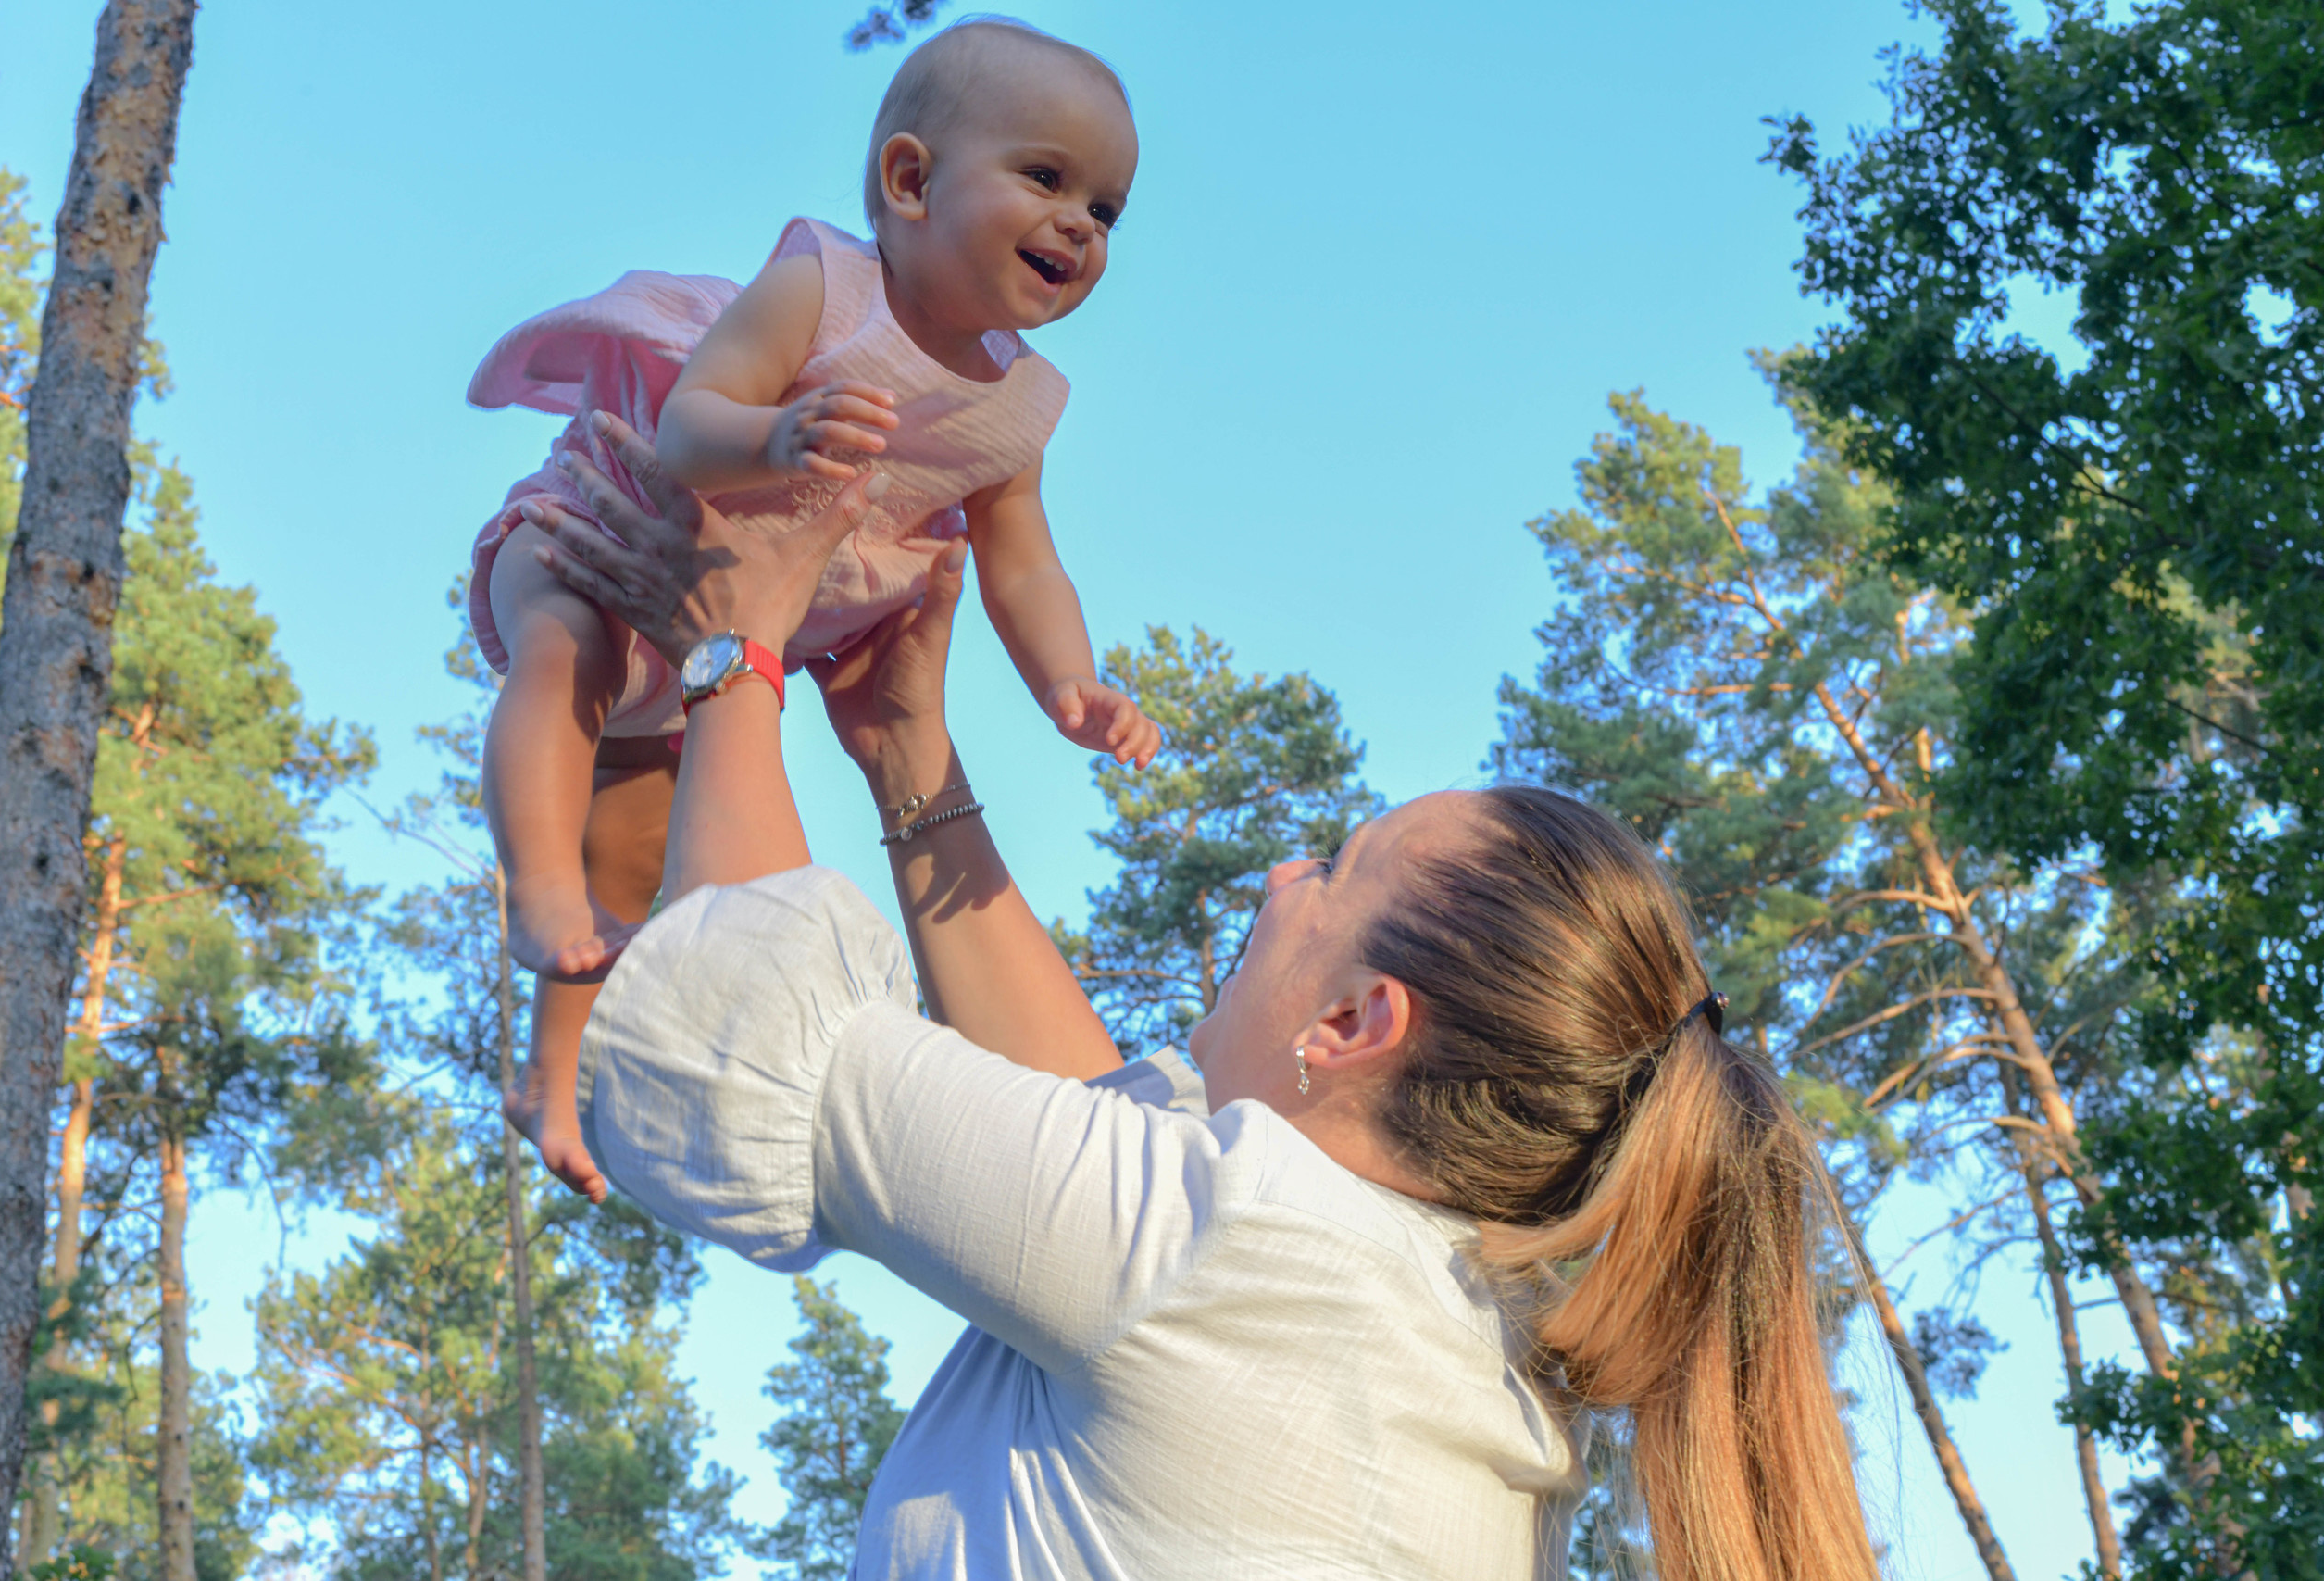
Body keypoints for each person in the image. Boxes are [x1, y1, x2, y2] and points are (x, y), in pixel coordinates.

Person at [508, 414, 1882, 1581]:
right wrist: (909, 756)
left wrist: (735, 651)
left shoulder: (1236, 1257)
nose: (1283, 874)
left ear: (1352, 1024)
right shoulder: (1457, 1341)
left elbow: (739, 1022)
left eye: (1332, 869)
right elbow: (1090, 1143)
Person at [469, 18, 1161, 1202]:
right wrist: (774, 434)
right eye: (1046, 178)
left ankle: (553, 1071)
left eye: (1105, 209)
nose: (1080, 225)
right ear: (910, 180)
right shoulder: (826, 288)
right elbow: (691, 420)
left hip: (713, 641)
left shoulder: (1022, 403)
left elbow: (1023, 563)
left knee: (632, 857)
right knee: (562, 661)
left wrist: (1069, 681)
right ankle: (534, 884)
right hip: (597, 544)